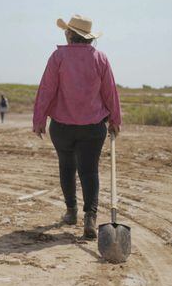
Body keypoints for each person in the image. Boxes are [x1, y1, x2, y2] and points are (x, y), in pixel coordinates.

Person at [33, 14, 121, 239]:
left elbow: (46, 89)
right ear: (89, 38)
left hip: (62, 126)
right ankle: (90, 219)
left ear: (70, 34)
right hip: (93, 127)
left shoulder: (58, 57)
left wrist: (39, 119)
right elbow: (110, 91)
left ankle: (71, 211)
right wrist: (115, 119)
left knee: (67, 167)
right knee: (89, 171)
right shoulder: (100, 58)